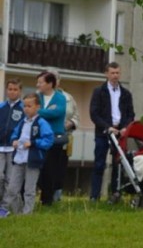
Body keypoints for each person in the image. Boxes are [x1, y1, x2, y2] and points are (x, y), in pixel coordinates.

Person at [89, 62, 135, 203]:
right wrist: (107, 127)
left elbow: (130, 114)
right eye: (112, 73)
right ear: (107, 74)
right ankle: (94, 196)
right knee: (99, 164)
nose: (115, 76)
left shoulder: (126, 94)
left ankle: (115, 194)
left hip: (119, 133)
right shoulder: (99, 91)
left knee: (118, 165)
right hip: (103, 132)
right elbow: (94, 113)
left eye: (117, 73)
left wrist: (124, 128)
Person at [2, 93, 54, 215]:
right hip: (19, 159)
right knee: (12, 189)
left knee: (29, 189)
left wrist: (33, 143)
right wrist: (13, 140)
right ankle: (17, 211)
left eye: (29, 106)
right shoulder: (22, 122)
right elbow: (15, 134)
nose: (26, 109)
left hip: (32, 160)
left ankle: (27, 213)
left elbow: (48, 140)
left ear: (37, 107)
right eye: (25, 106)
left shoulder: (41, 123)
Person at [47, 68, 80, 202]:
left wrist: (71, 123)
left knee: (60, 166)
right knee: (47, 166)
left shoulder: (68, 98)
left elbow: (76, 115)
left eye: (56, 79)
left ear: (59, 81)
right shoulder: (40, 97)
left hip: (64, 138)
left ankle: (57, 195)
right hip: (47, 137)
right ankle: (45, 195)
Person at [35, 71, 66, 206]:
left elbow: (57, 112)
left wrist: (39, 111)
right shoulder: (37, 97)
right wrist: (46, 112)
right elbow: (30, 110)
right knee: (38, 168)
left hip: (54, 139)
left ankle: (47, 200)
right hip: (38, 138)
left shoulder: (60, 98)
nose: (38, 85)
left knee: (50, 169)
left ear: (50, 84)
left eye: (41, 82)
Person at [0, 79, 24, 215]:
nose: (12, 92)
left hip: (14, 149)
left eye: (15, 89)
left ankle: (8, 208)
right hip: (0, 147)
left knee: (10, 180)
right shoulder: (1, 107)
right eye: (10, 89)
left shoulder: (23, 109)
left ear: (20, 91)